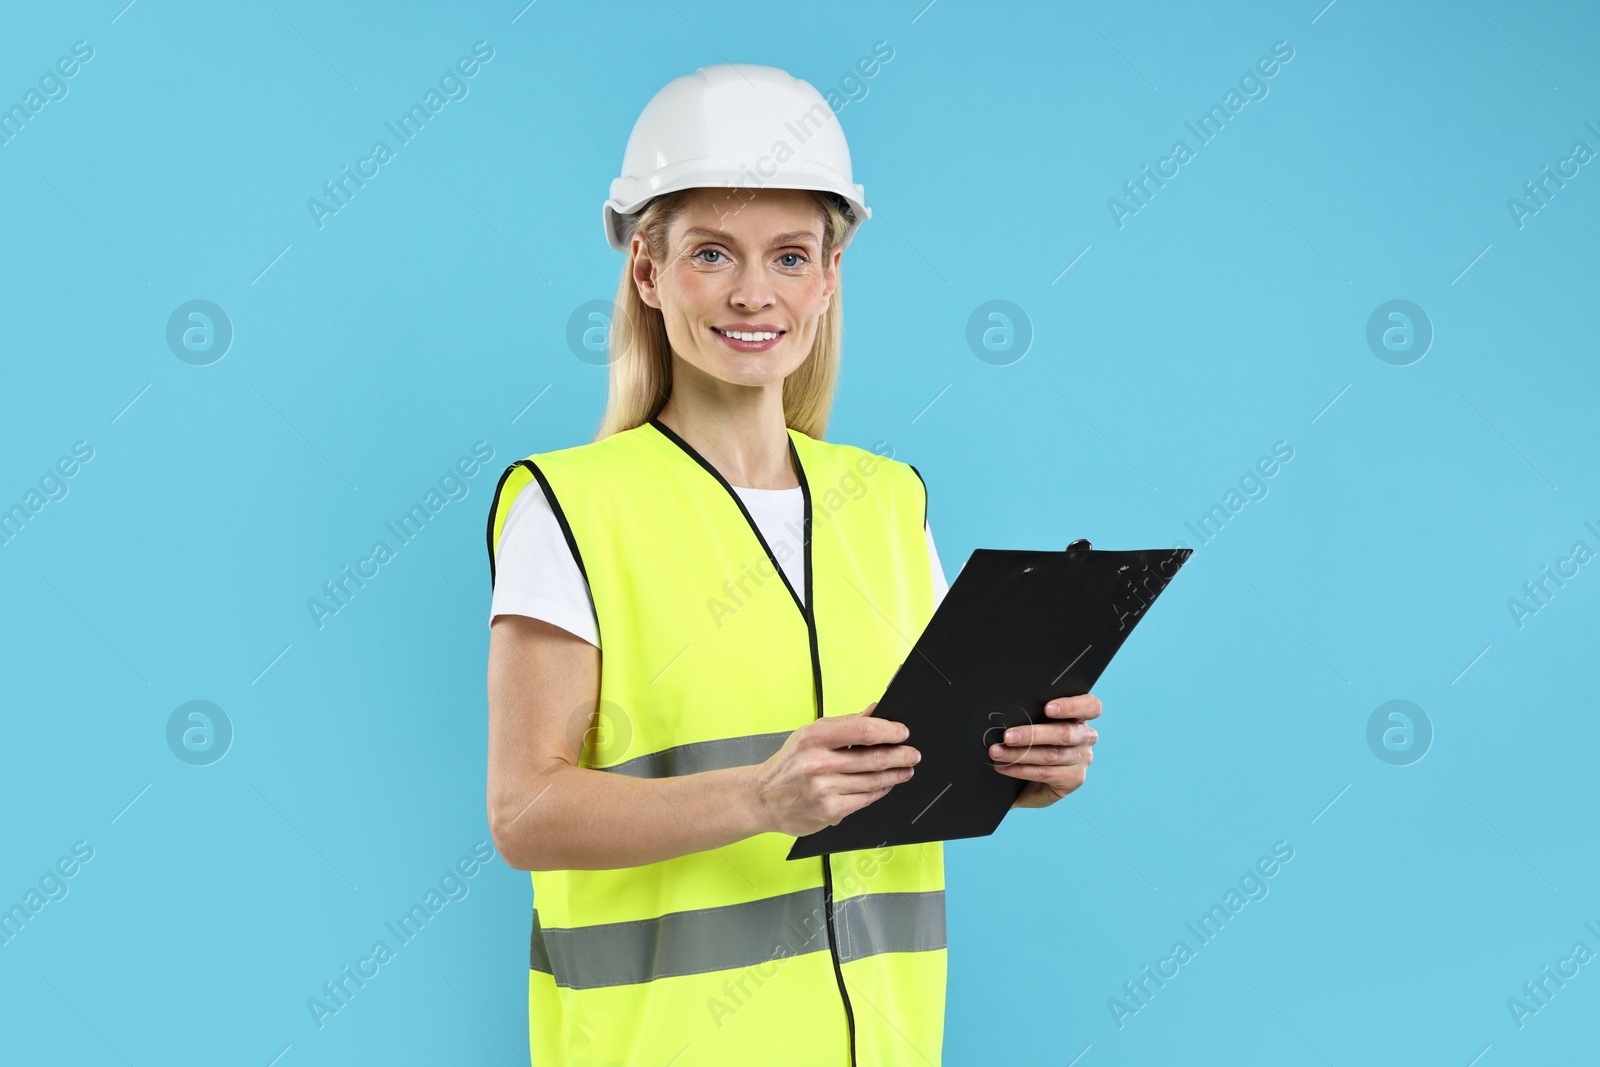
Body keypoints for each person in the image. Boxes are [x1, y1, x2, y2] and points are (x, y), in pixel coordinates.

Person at [484, 63, 1102, 1067]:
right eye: (711, 253)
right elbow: (523, 812)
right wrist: (761, 800)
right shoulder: (572, 507)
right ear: (646, 269)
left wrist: (1020, 767)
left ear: (828, 274)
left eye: (788, 254)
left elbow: (915, 765)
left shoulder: (889, 501)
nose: (751, 292)